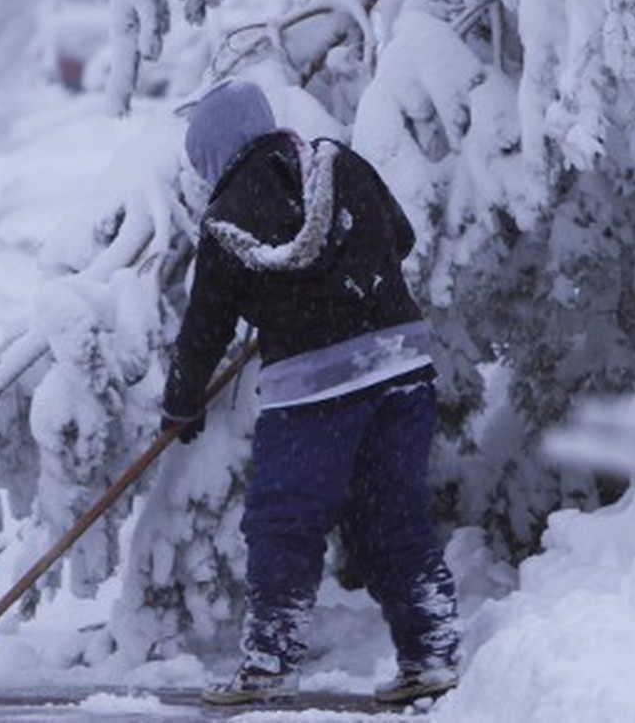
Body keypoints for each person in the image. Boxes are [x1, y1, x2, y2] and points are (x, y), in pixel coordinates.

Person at [161, 78, 460, 707]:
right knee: (393, 517)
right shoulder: (338, 162)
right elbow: (399, 238)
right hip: (402, 367)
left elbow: (205, 327)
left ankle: (270, 664)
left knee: (284, 521)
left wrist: (182, 400)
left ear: (213, 153)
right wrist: (347, 278)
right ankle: (431, 656)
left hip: (314, 393)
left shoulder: (224, 223)